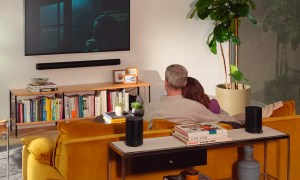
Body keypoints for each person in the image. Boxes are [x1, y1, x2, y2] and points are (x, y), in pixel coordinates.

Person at [143, 64, 233, 129]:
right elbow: (224, 120)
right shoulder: (196, 107)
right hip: (187, 152)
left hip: (158, 152)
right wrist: (220, 109)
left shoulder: (150, 107)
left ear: (165, 83)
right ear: (185, 83)